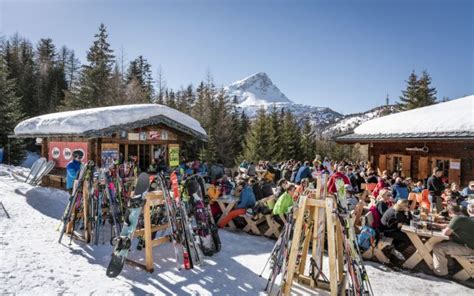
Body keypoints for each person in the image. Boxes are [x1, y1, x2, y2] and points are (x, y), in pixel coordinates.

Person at [432, 201, 474, 277]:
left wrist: (443, 229)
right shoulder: (463, 217)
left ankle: (441, 273)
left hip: (469, 249)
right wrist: (436, 225)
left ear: (450, 212)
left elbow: (446, 232)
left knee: (438, 247)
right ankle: (450, 266)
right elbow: (448, 226)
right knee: (445, 242)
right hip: (467, 246)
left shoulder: (457, 218)